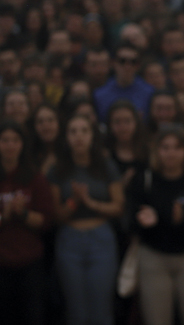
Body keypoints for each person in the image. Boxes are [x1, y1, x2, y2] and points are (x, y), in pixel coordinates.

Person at [0, 121, 56, 325]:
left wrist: (23, 214)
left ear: (23, 145)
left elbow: (47, 220)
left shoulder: (35, 178)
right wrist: (2, 217)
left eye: (15, 140)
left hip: (31, 263)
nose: (10, 145)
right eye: (5, 140)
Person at [127, 127, 184, 325]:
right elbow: (130, 222)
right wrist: (144, 221)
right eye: (165, 147)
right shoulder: (144, 181)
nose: (171, 153)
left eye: (177, 147)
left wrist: (183, 220)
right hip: (154, 257)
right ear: (156, 150)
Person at [48, 114, 124, 325]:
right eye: (73, 131)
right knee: (76, 313)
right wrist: (74, 202)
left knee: (101, 313)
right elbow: (54, 215)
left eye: (84, 131)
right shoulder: (57, 169)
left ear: (92, 136)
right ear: (66, 137)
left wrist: (91, 203)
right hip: (69, 239)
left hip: (101, 239)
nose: (79, 136)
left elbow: (119, 207)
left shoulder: (106, 166)